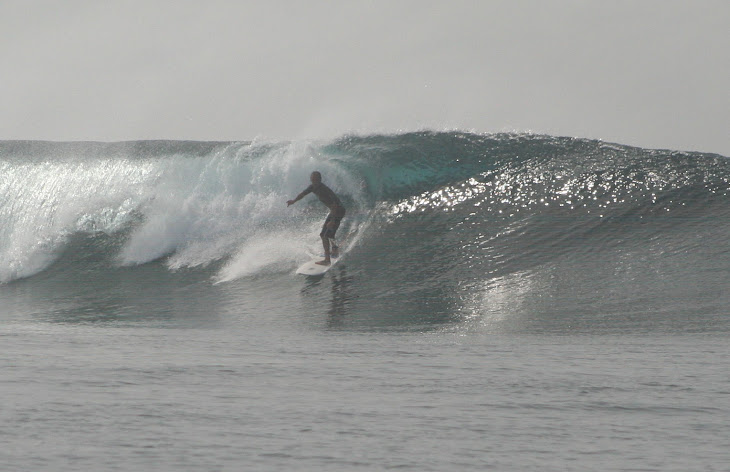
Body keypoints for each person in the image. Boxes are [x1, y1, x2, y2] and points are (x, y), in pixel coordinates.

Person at [287, 171, 346, 265]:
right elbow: (302, 194)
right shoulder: (312, 187)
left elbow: (335, 205)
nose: (314, 181)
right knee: (326, 230)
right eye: (312, 179)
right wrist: (293, 201)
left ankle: (327, 260)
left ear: (320, 180)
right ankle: (334, 249)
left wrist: (333, 220)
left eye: (316, 179)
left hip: (338, 211)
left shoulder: (324, 189)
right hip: (334, 211)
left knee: (324, 235)